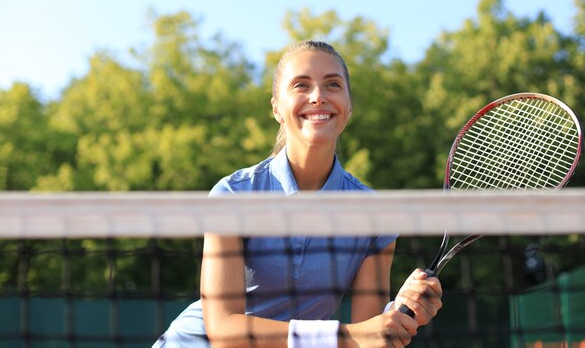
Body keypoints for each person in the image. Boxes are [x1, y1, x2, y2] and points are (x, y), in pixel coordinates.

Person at [153, 40, 442, 348]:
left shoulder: (375, 217)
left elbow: (363, 339)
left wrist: (398, 316)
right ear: (277, 108)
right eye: (301, 85)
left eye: (332, 84)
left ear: (349, 105)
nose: (318, 97)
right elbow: (225, 332)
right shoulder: (233, 195)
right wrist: (349, 335)